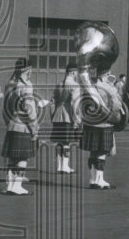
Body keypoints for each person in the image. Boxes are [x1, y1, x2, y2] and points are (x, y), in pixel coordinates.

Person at [77, 60, 124, 191]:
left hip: (90, 123)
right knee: (102, 152)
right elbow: (116, 105)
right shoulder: (108, 87)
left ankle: (93, 180)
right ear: (108, 71)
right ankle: (99, 180)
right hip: (104, 123)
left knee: (93, 152)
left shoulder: (90, 85)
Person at [1, 58, 45, 195]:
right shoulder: (26, 86)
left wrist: (9, 123)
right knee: (22, 158)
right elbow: (29, 109)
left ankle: (10, 186)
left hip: (12, 125)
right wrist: (35, 128)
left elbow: (5, 109)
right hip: (24, 126)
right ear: (27, 70)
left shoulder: (10, 84)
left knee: (12, 158)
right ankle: (17, 186)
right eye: (30, 69)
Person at [50, 62, 81, 174]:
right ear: (73, 72)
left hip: (57, 116)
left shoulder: (59, 84)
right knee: (67, 143)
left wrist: (52, 116)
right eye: (76, 72)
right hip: (68, 116)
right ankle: (65, 166)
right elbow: (75, 104)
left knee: (59, 142)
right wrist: (77, 119)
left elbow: (52, 102)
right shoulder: (75, 85)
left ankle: (59, 166)